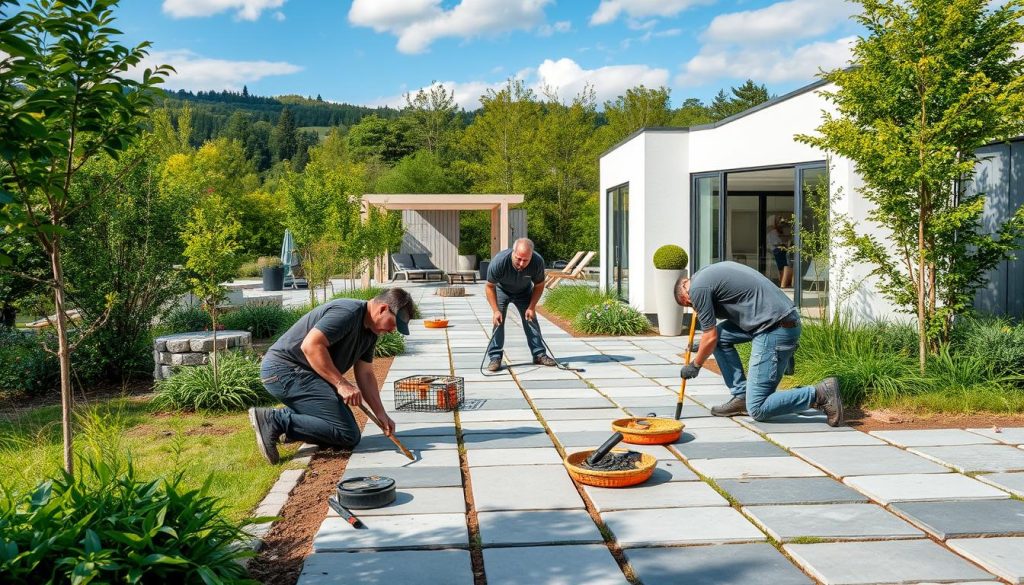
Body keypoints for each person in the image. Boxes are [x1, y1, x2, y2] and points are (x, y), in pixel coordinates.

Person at [248, 288, 415, 464]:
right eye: (394, 324)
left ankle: (294, 423)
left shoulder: (370, 333)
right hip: (283, 371)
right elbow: (311, 346)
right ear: (382, 309)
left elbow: (365, 374)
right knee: (347, 433)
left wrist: (380, 413)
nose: (392, 331)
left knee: (345, 428)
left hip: (304, 376)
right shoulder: (347, 312)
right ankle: (275, 421)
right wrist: (341, 384)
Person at [674, 261, 843, 426]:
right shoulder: (703, 275)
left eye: (689, 304)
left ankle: (819, 394)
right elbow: (712, 338)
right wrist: (704, 344)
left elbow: (709, 337)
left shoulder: (697, 290)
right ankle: (742, 395)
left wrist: (695, 365)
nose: (693, 307)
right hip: (777, 320)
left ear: (685, 294)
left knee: (758, 408)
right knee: (719, 338)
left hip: (775, 329)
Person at [484, 238, 558, 372]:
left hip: (524, 291)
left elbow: (539, 285)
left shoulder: (537, 261)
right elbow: (489, 287)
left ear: (531, 255)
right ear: (513, 252)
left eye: (526, 260)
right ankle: (495, 357)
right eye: (518, 259)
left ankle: (539, 354)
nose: (521, 263)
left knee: (531, 319)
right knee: (498, 321)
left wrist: (531, 307)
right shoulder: (499, 261)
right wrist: (495, 311)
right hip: (502, 290)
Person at [767, 215, 792, 288]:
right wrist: (784, 245)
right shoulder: (773, 232)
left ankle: (783, 283)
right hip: (777, 251)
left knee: (783, 267)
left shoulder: (773, 232)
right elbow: (777, 243)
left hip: (776, 251)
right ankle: (783, 283)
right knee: (783, 267)